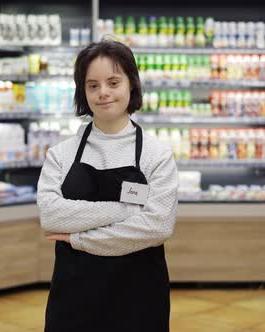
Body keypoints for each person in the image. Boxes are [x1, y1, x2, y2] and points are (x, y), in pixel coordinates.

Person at [36, 39, 179, 332]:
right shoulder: (61, 154)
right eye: (92, 85)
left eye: (113, 82)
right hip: (75, 297)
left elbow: (158, 226)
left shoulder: (157, 154)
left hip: (139, 296)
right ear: (83, 91)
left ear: (131, 84)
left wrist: (80, 240)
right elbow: (51, 216)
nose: (103, 93)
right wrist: (127, 210)